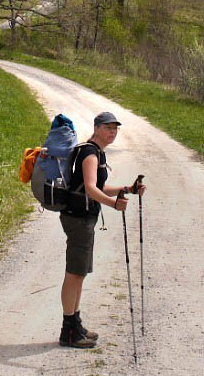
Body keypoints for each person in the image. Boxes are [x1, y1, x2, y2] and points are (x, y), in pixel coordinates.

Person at [58, 111, 147, 348]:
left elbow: (100, 186)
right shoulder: (89, 153)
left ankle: (75, 323)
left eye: (115, 128)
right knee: (74, 272)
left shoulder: (97, 152)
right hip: (78, 218)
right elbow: (89, 188)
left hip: (83, 217)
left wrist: (127, 189)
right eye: (108, 128)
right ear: (96, 128)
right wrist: (114, 204)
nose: (112, 132)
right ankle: (68, 332)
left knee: (80, 272)